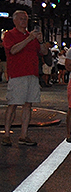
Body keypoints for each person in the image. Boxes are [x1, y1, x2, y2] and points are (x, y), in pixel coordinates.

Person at [2, 10, 47, 147]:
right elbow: (13, 50)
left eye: (25, 19)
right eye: (21, 19)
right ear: (15, 21)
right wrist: (28, 39)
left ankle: (23, 134)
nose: (23, 21)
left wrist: (40, 41)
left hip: (32, 74)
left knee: (28, 104)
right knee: (13, 104)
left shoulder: (30, 36)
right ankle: (7, 135)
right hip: (17, 74)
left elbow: (44, 52)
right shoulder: (10, 35)